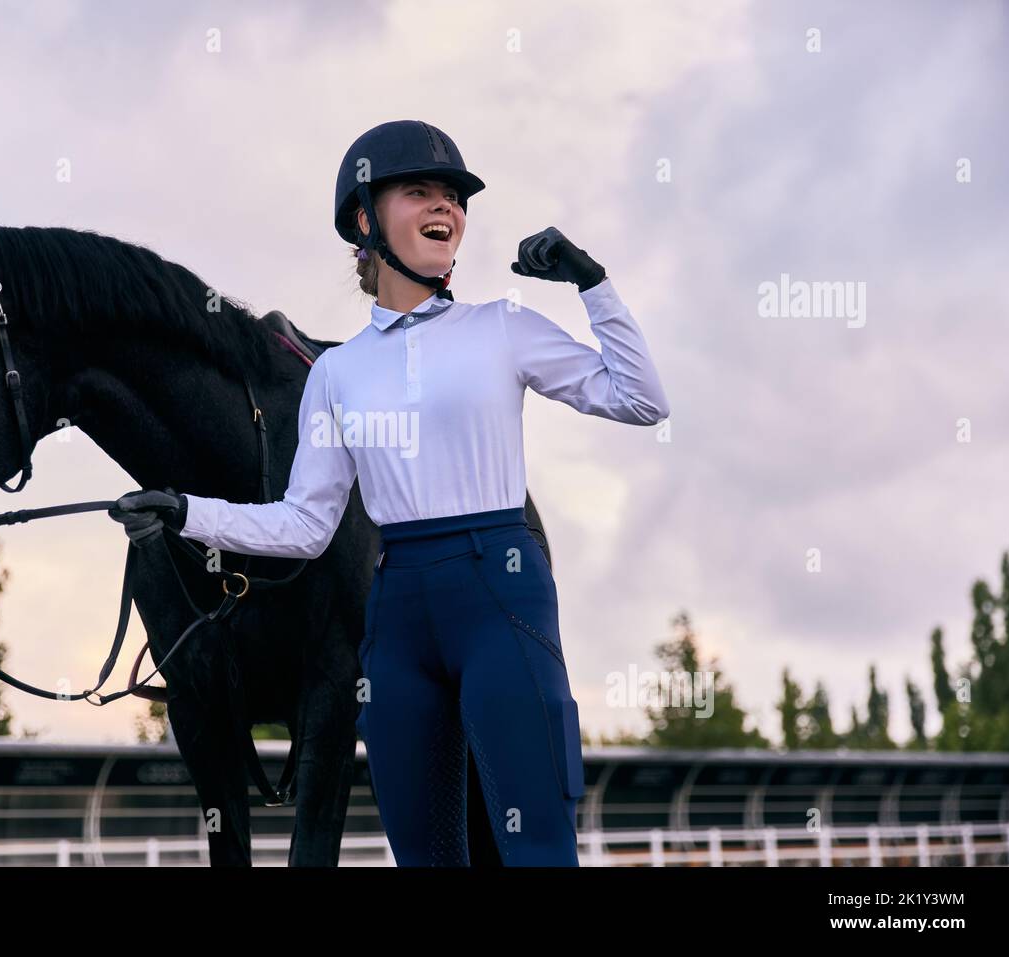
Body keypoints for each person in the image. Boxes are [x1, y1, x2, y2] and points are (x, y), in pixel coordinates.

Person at [110, 120, 670, 866]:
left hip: (500, 591)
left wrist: (591, 282)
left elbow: (641, 398)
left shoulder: (503, 327)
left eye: (454, 196)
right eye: (420, 192)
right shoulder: (336, 374)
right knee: (426, 854)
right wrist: (187, 512)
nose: (446, 207)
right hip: (396, 609)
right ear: (365, 221)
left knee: (535, 844)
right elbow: (305, 525)